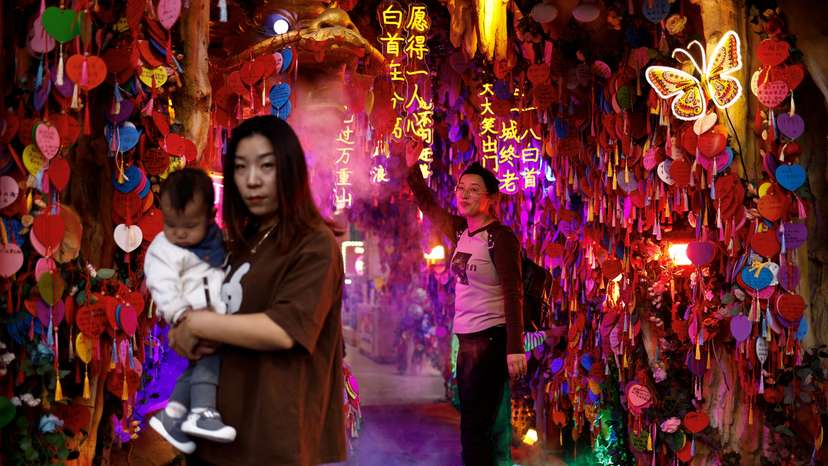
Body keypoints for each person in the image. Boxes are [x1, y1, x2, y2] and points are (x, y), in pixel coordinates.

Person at [167, 115, 347, 466]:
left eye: (266, 166)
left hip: (272, 440)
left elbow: (283, 330)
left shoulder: (314, 244)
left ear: (291, 171)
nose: (252, 180)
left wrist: (198, 325)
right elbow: (221, 318)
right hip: (215, 436)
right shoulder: (242, 243)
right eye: (240, 168)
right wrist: (184, 334)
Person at [404, 143, 527, 466]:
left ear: (491, 200)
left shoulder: (499, 238)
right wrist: (411, 166)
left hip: (491, 340)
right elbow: (429, 206)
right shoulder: (461, 233)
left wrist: (515, 347)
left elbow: (514, 292)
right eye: (461, 188)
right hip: (467, 340)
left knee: (478, 426)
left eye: (475, 190)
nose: (465, 194)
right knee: (474, 421)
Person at [145, 168, 236, 453]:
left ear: (210, 216)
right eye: (171, 225)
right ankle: (202, 412)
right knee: (210, 360)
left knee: (198, 367)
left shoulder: (214, 241)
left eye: (190, 225)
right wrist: (183, 316)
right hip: (190, 316)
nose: (180, 234)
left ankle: (172, 416)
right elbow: (161, 284)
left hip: (210, 313)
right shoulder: (164, 248)